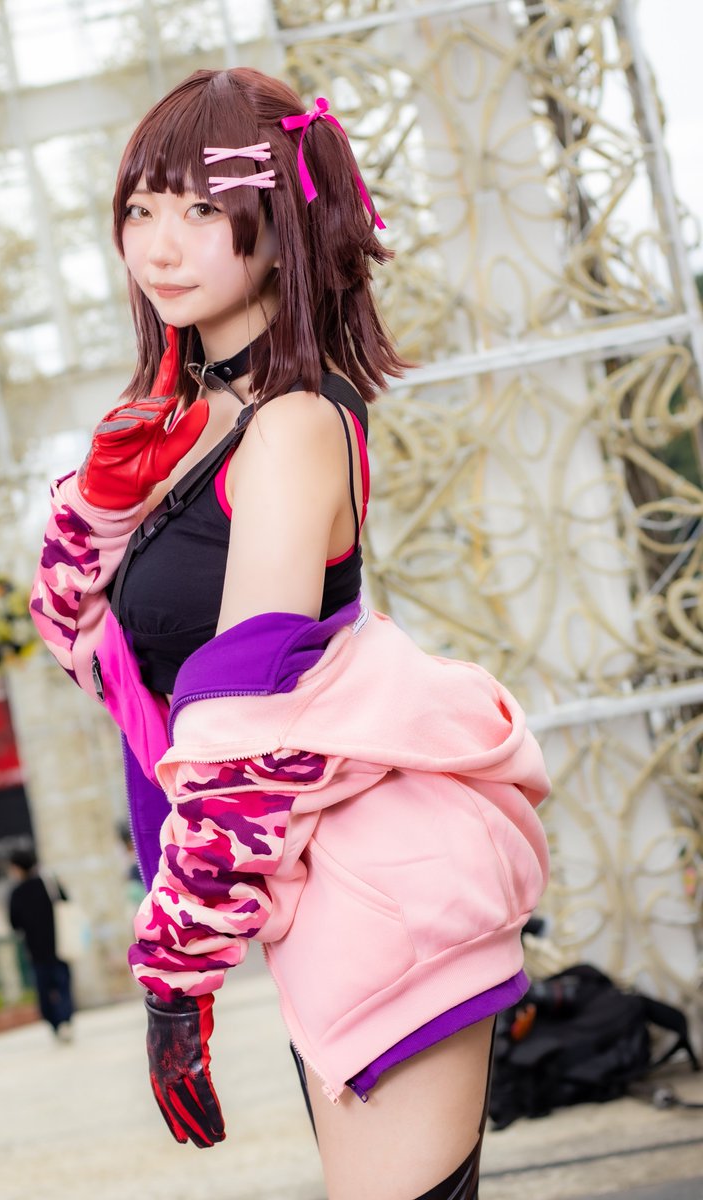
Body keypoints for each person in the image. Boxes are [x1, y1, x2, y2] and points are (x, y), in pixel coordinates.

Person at [30, 67, 550, 1200]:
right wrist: (102, 502)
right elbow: (104, 662)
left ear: (280, 226)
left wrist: (177, 966)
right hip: (313, 876)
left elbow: (244, 714)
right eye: (140, 209)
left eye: (201, 209)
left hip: (380, 877)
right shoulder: (191, 422)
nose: (160, 246)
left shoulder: (295, 424)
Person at [7, 850, 74, 1042]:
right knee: (63, 986)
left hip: (36, 951)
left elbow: (14, 923)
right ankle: (65, 1020)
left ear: (17, 868)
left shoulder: (16, 893)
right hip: (59, 945)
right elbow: (66, 903)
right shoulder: (49, 884)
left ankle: (55, 1024)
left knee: (44, 991)